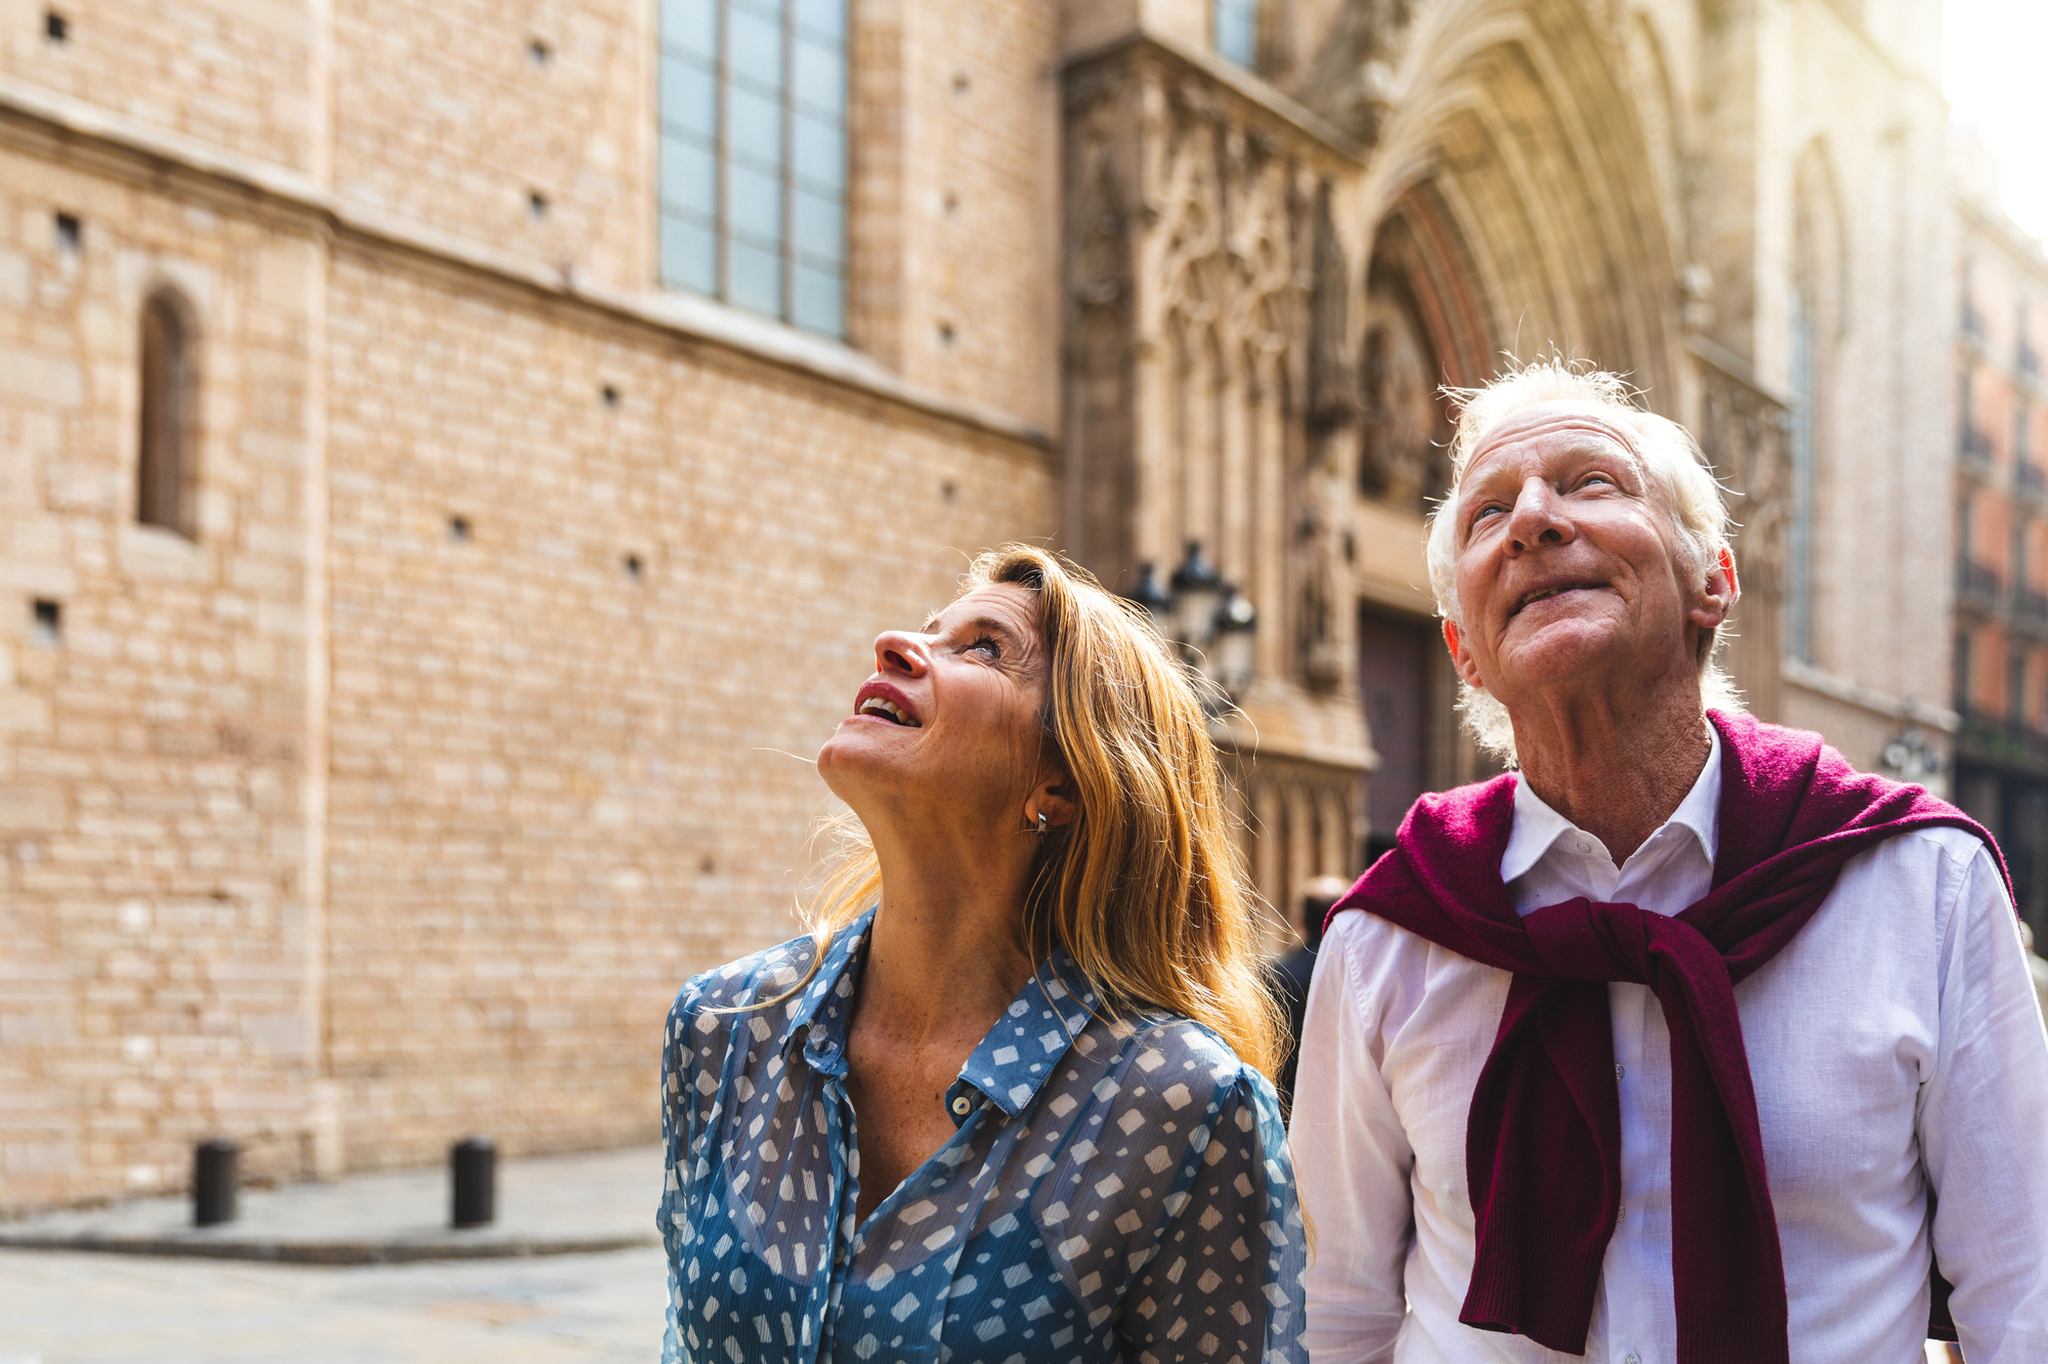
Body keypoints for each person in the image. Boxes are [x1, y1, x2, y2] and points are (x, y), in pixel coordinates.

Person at [1290, 361, 2048, 1364]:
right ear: (1463, 650)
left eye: (1588, 482)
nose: (1529, 520)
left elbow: (2023, 1289)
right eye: (1484, 514)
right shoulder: (1390, 931)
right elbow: (1338, 1311)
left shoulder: (1919, 882)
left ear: (1713, 580)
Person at [659, 545, 1307, 1364]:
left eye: (985, 648)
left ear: (1062, 785)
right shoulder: (724, 1027)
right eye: (933, 630)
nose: (896, 644)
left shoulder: (1184, 1108)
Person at [1268, 874, 1351, 1113]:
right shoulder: (1367, 975)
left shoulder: (1275, 976)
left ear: (1300, 921)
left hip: (1291, 1108)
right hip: (1346, 1110)